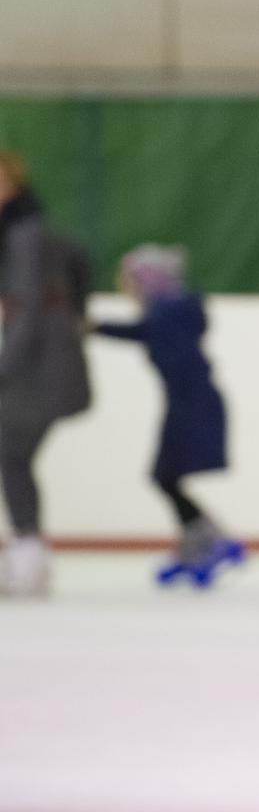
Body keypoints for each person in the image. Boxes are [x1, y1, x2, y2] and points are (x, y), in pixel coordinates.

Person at [91, 244, 243, 587]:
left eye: (131, 281)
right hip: (190, 402)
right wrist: (96, 328)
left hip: (193, 403)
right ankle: (202, 543)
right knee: (165, 477)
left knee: (164, 477)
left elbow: (151, 333)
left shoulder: (167, 314)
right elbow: (142, 332)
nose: (127, 289)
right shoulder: (169, 314)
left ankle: (212, 542)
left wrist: (95, 327)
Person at [0, 151, 91, 597]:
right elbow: (78, 262)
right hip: (43, 361)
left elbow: (28, 307)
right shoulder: (26, 229)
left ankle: (28, 555)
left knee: (10, 451)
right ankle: (25, 553)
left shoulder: (24, 231)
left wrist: (5, 365)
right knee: (12, 453)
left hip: (39, 366)